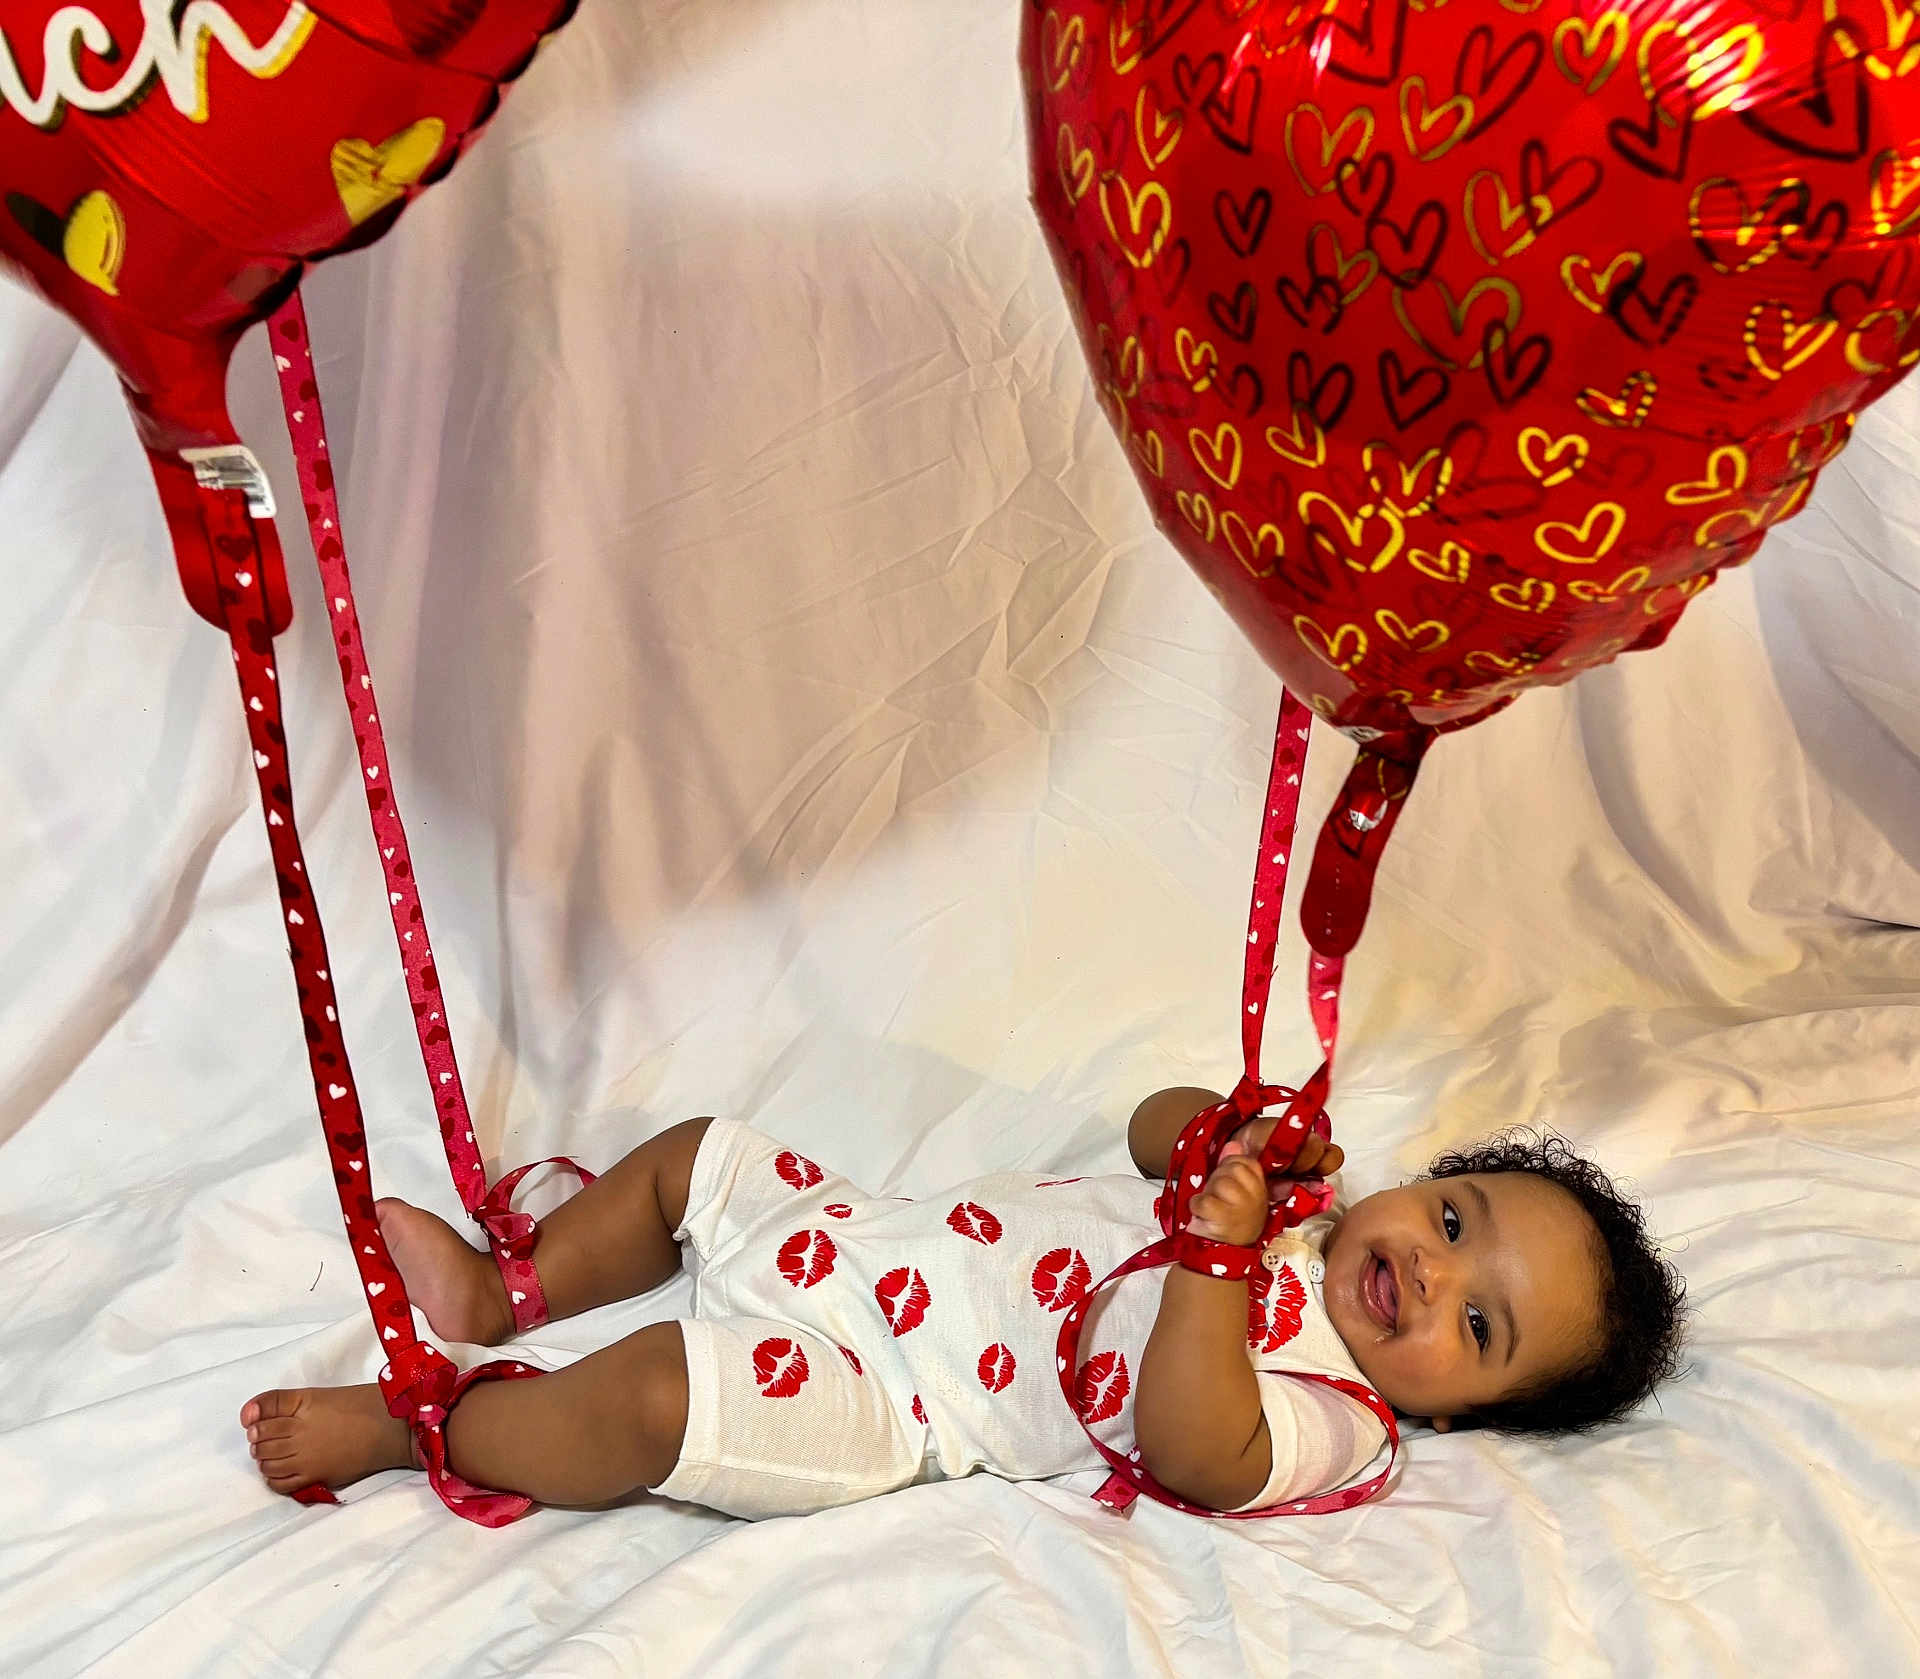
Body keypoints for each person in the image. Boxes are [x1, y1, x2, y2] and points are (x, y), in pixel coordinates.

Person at [239, 1087, 1686, 1517]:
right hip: (864, 1239)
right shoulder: (1299, 1204)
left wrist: (1215, 1263)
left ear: (1463, 1412)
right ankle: (515, 1288)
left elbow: (1194, 1445)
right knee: (699, 1159)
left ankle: (413, 1428)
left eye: (1476, 1325)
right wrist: (1224, 1136)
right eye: (1451, 1218)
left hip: (897, 1398)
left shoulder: (1343, 1421)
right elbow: (1143, 1129)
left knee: (658, 1397)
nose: (1429, 1270)